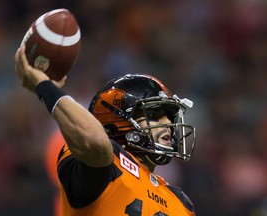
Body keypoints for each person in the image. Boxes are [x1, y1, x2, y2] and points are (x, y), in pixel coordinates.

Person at [15, 45, 196, 216]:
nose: (166, 123)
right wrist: (44, 86)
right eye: (155, 114)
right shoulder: (106, 165)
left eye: (168, 115)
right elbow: (96, 142)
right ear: (118, 120)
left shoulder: (181, 202)